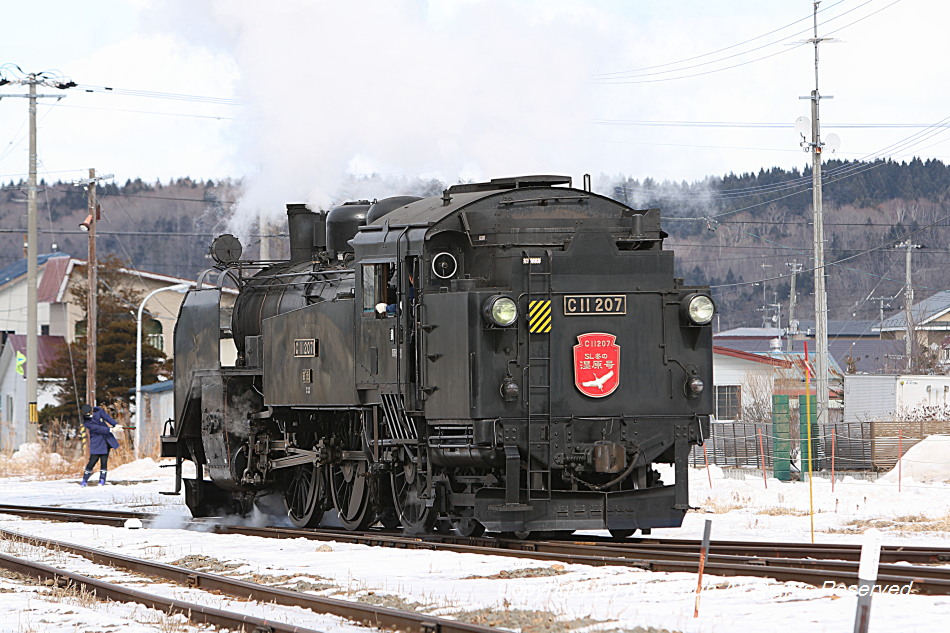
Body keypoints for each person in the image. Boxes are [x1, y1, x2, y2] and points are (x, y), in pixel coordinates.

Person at [80, 404, 119, 486]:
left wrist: (115, 425)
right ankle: (84, 480)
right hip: (96, 442)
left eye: (90, 412)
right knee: (92, 461)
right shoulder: (87, 422)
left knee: (104, 461)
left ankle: (102, 480)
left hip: (106, 440)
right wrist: (110, 429)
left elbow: (107, 417)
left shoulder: (98, 411)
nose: (90, 414)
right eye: (87, 414)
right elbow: (98, 428)